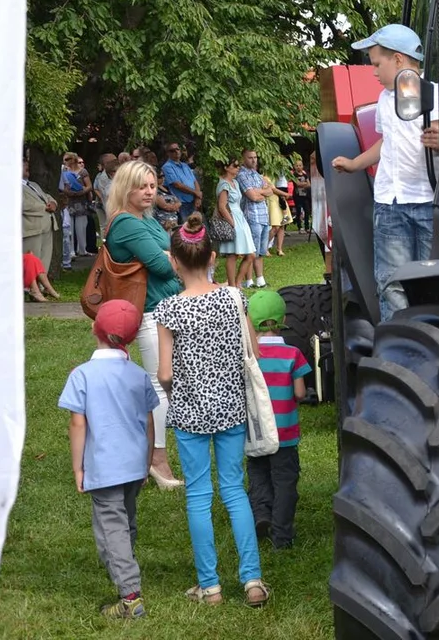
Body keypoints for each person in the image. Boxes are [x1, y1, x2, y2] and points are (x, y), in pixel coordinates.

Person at [154, 213, 270, 608]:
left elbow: (164, 373)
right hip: (232, 409)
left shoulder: (168, 310)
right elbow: (252, 351)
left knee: (199, 496)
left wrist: (179, 390)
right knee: (235, 491)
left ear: (172, 261)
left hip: (189, 414)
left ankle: (211, 586)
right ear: (214, 258)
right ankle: (253, 580)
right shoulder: (235, 297)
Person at [332, 23, 439, 321]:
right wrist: (356, 164)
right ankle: (397, 344)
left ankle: (430, 337)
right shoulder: (384, 100)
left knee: (430, 280)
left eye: (377, 64)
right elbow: (386, 142)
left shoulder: (435, 95)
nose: (374, 72)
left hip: (429, 201)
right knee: (392, 282)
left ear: (399, 60)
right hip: (390, 204)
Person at [58, 299, 158, 619]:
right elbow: (149, 422)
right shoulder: (139, 374)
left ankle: (130, 596)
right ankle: (121, 564)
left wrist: (77, 467)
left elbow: (77, 423)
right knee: (125, 521)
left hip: (104, 467)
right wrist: (147, 462)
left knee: (111, 527)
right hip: (133, 465)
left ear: (93, 328)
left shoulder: (82, 375)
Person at [103, 160, 184, 489]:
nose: (150, 191)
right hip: (151, 311)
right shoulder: (126, 224)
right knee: (160, 383)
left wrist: (170, 256)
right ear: (126, 187)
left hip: (165, 307)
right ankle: (157, 460)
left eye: (152, 185)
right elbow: (164, 266)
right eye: (142, 186)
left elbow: (174, 252)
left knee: (164, 382)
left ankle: (148, 453)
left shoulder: (145, 220)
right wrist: (172, 258)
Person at [246, 290, 311, 550]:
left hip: (257, 432)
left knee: (259, 476)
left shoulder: (249, 357)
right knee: (285, 482)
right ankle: (282, 535)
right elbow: (299, 393)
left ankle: (261, 514)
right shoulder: (293, 354)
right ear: (283, 318)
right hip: (284, 435)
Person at [215, 157, 256, 287]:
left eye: (238, 165)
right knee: (232, 254)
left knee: (251, 254)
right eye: (235, 165)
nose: (238, 168)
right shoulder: (223, 184)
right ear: (227, 167)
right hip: (232, 217)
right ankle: (233, 285)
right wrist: (233, 223)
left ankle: (237, 282)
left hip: (240, 217)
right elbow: (222, 206)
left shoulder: (235, 183)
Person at [236, 149, 273, 289]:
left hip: (263, 215)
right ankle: (249, 280)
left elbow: (269, 189)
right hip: (251, 216)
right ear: (243, 159)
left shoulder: (257, 174)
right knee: (251, 251)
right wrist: (261, 192)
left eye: (255, 157)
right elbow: (252, 196)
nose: (254, 160)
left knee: (261, 251)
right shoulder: (241, 175)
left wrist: (260, 192)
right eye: (250, 157)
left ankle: (260, 279)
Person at [22, 156, 60, 273]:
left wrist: (53, 203)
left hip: (47, 225)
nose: (27, 167)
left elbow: (47, 196)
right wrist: (44, 207)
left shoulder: (33, 184)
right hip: (32, 227)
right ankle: (29, 286)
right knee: (33, 258)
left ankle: (41, 286)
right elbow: (21, 204)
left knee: (45, 258)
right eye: (24, 165)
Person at [161, 141, 201, 222]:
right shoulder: (167, 167)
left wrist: (198, 197)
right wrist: (196, 193)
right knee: (185, 229)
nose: (176, 152)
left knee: (198, 229)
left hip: (193, 202)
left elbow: (195, 181)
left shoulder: (185, 165)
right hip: (182, 204)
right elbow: (177, 185)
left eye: (177, 149)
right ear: (167, 153)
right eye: (172, 150)